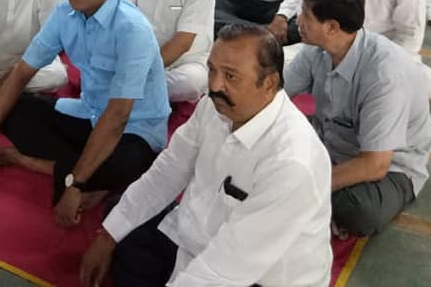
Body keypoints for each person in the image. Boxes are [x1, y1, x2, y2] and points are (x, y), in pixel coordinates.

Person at [80, 24, 332, 287]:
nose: (214, 85)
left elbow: (230, 265)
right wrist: (107, 237)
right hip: (199, 239)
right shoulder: (214, 108)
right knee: (122, 219)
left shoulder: (291, 162)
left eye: (230, 76)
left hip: (255, 276)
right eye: (212, 70)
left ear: (268, 84)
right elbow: (167, 172)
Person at [0, 0, 171, 223]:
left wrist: (74, 184)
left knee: (126, 162)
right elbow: (22, 72)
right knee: (15, 110)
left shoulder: (132, 29)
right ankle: (80, 170)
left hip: (134, 127)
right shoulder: (65, 14)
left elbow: (118, 116)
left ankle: (51, 166)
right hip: (89, 112)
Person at [287, 0, 431, 237]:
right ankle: (317, 199)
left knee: (359, 212)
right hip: (331, 137)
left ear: (332, 27)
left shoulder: (384, 75)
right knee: (271, 136)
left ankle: (317, 197)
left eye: (306, 15)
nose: (298, 20)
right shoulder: (316, 49)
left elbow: (375, 164)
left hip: (390, 164)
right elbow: (279, 94)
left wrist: (306, 187)